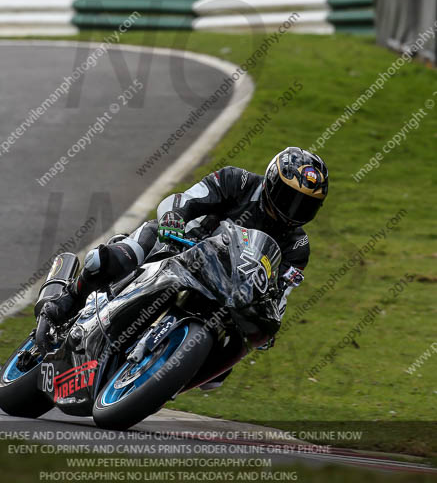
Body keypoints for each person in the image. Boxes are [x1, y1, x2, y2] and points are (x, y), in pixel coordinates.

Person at [40, 147, 328, 384]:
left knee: (221, 371)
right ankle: (68, 300)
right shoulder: (237, 181)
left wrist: (267, 325)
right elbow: (184, 199)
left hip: (226, 290)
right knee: (112, 259)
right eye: (289, 199)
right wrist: (174, 218)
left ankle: (157, 378)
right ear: (271, 182)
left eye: (304, 206)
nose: (292, 212)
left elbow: (280, 296)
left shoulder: (297, 246)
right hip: (179, 246)